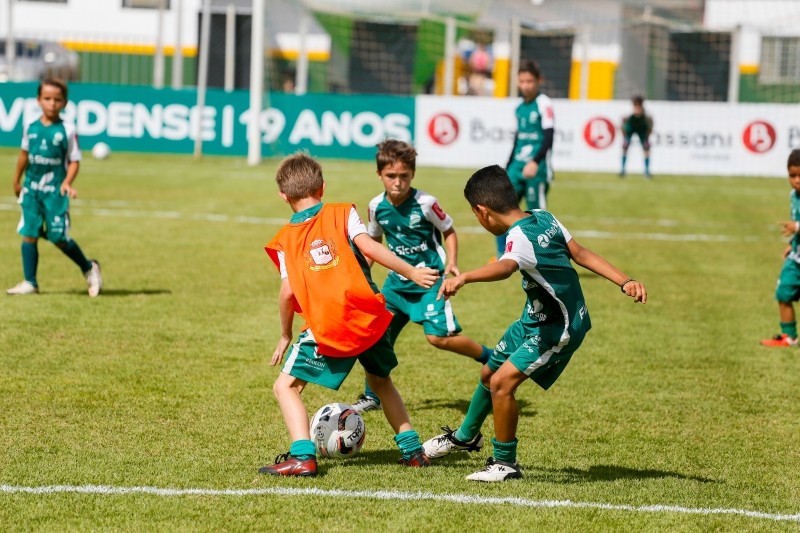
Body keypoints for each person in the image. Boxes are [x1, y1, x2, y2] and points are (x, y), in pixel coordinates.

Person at [422, 165, 647, 482]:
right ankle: (466, 437)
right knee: (489, 372)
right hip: (533, 320)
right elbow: (580, 253)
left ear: (482, 211)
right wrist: (625, 281)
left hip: (557, 330)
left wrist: (465, 278)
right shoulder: (543, 216)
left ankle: (505, 464)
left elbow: (506, 267)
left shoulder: (519, 239)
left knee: (502, 384)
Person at [261, 153, 439, 477]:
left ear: (283, 196)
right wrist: (412, 272)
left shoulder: (285, 240)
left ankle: (303, 456)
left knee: (285, 387)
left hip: (330, 326)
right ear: (323, 187)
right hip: (369, 317)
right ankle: (413, 451)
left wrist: (286, 334)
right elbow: (370, 249)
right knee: (381, 381)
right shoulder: (344, 213)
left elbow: (287, 292)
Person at [350, 139, 494, 414]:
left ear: (412, 174)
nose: (397, 182)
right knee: (376, 338)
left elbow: (449, 231)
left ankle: (491, 358)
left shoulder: (426, 203)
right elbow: (374, 243)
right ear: (379, 175)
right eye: (391, 176)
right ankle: (372, 395)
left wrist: (452, 261)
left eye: (404, 176)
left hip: (429, 281)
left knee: (437, 338)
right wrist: (361, 272)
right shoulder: (376, 206)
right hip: (396, 284)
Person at [7, 78, 102, 297]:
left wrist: (67, 183)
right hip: (32, 190)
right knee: (29, 233)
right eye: (47, 99)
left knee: (58, 237)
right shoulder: (30, 127)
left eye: (57, 100)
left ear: (65, 103)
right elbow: (24, 154)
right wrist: (16, 180)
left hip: (55, 192)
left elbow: (75, 160)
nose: (52, 103)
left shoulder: (67, 130)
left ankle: (89, 267)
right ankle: (30, 282)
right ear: (38, 100)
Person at [496, 60, 555, 259]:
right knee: (500, 206)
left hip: (535, 169)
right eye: (522, 81)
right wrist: (507, 166)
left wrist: (535, 161)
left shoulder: (544, 103)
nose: (525, 85)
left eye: (529, 81)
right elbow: (517, 139)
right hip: (516, 167)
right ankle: (502, 256)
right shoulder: (519, 107)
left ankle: (542, 257)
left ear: (539, 81)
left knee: (536, 215)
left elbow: (549, 136)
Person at [761, 149, 800, 347]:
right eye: (793, 175)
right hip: (797, 256)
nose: (797, 180)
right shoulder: (793, 195)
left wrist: (797, 227)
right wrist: (791, 244)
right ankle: (789, 337)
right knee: (783, 292)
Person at [619, 95, 654, 179]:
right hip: (630, 129)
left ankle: (646, 171)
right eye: (636, 106)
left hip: (642, 130)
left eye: (639, 106)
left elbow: (650, 125)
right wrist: (624, 135)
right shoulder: (628, 115)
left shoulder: (646, 116)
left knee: (646, 148)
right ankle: (623, 170)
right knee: (625, 146)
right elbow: (623, 126)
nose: (637, 108)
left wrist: (647, 135)